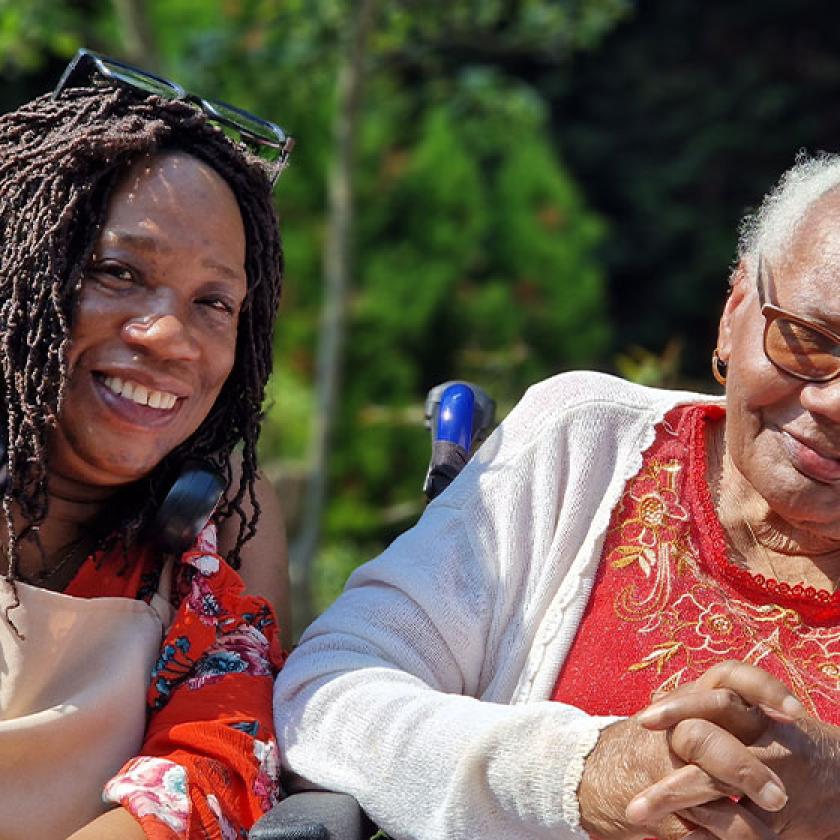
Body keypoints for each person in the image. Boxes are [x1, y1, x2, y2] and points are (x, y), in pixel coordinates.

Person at [274, 152, 840, 840]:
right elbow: (328, 692)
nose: (833, 402)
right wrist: (578, 776)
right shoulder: (585, 445)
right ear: (734, 314)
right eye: (809, 341)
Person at [0, 49, 293, 838]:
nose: (170, 337)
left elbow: (223, 763)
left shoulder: (212, 539)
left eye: (214, 302)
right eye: (119, 272)